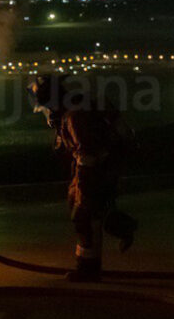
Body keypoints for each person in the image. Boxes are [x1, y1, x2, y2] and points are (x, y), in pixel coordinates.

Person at [29, 74, 138, 282]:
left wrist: (85, 183)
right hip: (97, 166)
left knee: (84, 215)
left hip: (96, 168)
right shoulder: (75, 109)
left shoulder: (74, 116)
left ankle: (89, 268)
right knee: (90, 209)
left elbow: (87, 151)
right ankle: (121, 229)